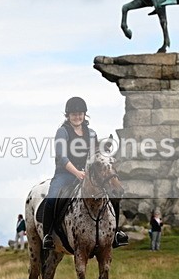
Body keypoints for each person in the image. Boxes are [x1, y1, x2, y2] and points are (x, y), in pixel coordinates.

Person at [42, 97, 128, 250]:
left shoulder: (91, 133)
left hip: (88, 174)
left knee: (112, 193)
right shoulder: (62, 132)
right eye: (74, 114)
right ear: (68, 115)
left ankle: (116, 233)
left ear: (84, 115)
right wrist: (77, 173)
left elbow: (95, 154)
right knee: (52, 198)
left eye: (80, 114)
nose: (77, 117)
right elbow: (62, 157)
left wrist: (104, 149)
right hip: (65, 173)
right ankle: (48, 235)